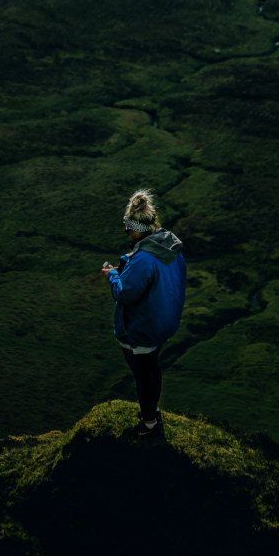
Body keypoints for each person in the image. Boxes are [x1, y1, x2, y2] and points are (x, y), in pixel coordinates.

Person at [101, 188, 186, 438]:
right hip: (164, 321)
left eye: (128, 228)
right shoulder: (168, 245)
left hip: (143, 327)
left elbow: (125, 293)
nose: (126, 232)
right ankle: (153, 410)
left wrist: (113, 275)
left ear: (138, 229)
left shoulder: (144, 258)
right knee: (151, 368)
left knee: (142, 374)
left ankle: (148, 424)